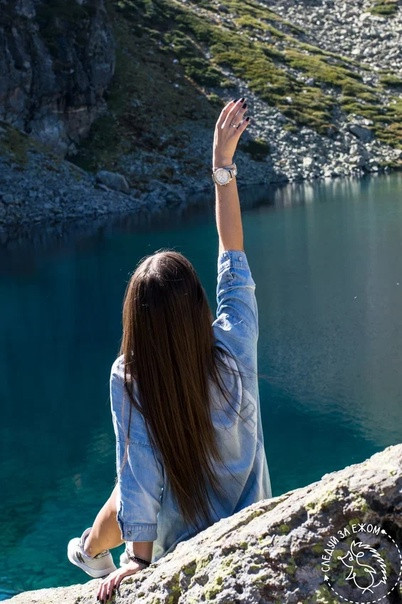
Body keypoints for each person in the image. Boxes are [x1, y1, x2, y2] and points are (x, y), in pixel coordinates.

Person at [67, 98, 272, 603]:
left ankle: (89, 551)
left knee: (128, 484)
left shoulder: (131, 376)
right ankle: (89, 550)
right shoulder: (235, 343)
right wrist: (221, 167)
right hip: (253, 524)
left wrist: (139, 561)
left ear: (135, 322)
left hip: (179, 541)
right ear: (199, 303)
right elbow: (232, 255)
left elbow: (139, 471)